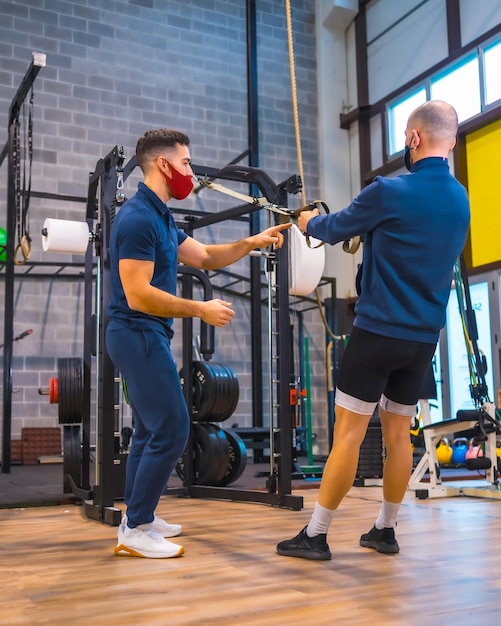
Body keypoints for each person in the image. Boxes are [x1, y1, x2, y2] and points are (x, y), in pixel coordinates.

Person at [276, 100, 470, 561]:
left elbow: (332, 227)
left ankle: (317, 535)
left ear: (413, 139)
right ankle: (385, 530)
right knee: (399, 434)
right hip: (422, 339)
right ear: (454, 141)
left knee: (349, 433)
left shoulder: (387, 191)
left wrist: (305, 222)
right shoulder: (461, 198)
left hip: (378, 332)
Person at [106, 128, 291, 559]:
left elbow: (205, 256)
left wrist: (252, 242)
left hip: (145, 333)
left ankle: (141, 517)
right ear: (164, 165)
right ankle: (133, 530)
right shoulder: (136, 219)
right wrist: (201, 309)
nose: (191, 171)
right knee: (172, 427)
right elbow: (138, 294)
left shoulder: (161, 216)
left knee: (150, 430)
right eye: (186, 163)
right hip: (136, 333)